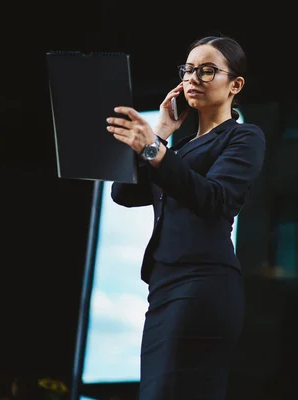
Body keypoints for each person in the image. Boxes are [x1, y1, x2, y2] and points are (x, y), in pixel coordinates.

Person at [107, 35, 266, 399]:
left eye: (207, 70)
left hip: (202, 284)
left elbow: (215, 198)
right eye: (189, 69)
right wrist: (161, 132)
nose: (193, 78)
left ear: (235, 85)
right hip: (163, 289)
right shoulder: (177, 148)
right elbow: (123, 194)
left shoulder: (244, 138)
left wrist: (153, 149)